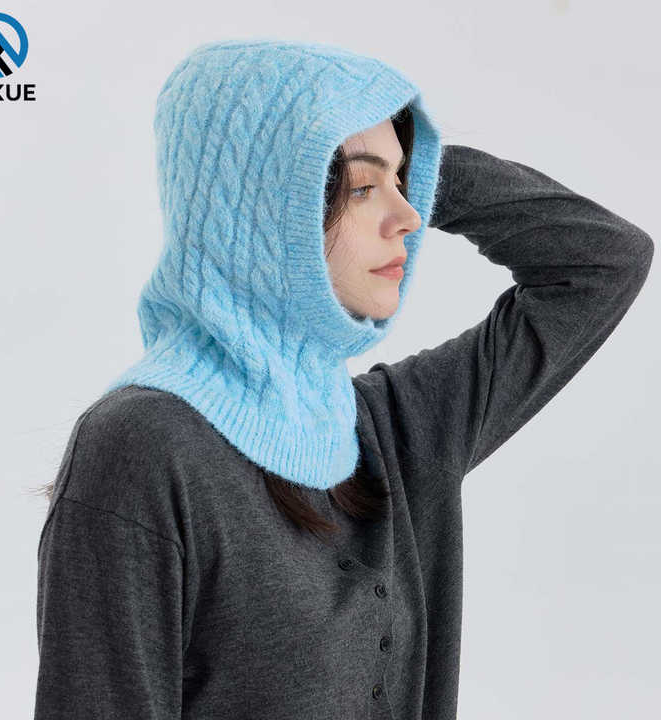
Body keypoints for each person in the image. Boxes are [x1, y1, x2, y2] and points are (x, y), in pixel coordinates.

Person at [32, 38, 654, 719]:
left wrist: (416, 169)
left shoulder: (392, 428)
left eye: (405, 184)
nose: (410, 218)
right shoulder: (143, 447)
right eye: (361, 189)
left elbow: (604, 262)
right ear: (266, 209)